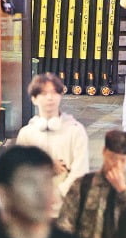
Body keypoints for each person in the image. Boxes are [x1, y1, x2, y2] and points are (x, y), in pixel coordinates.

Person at [15, 73, 90, 217]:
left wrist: (57, 193)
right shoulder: (26, 134)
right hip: (34, 209)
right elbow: (20, 170)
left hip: (67, 209)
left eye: (54, 92)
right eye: (43, 93)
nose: (50, 97)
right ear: (34, 99)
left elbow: (80, 172)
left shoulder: (75, 130)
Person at [58, 129, 126, 238]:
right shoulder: (83, 185)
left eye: (123, 160)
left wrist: (123, 191)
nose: (117, 165)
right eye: (113, 158)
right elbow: (65, 223)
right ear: (104, 152)